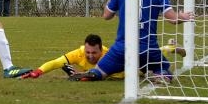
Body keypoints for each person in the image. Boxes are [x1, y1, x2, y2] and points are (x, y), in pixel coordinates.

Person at [70, 0, 194, 83]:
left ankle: (90, 75)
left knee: (99, 71)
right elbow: (172, 19)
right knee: (163, 69)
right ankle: (160, 75)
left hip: (122, 48)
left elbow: (106, 15)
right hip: (148, 49)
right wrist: (183, 17)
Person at [22, 34, 184, 80]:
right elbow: (56, 62)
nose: (90, 56)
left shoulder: (110, 55)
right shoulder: (78, 53)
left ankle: (171, 47)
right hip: (117, 74)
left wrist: (85, 77)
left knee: (146, 57)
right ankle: (170, 45)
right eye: (88, 53)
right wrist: (38, 71)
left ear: (101, 51)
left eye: (94, 53)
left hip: (129, 70)